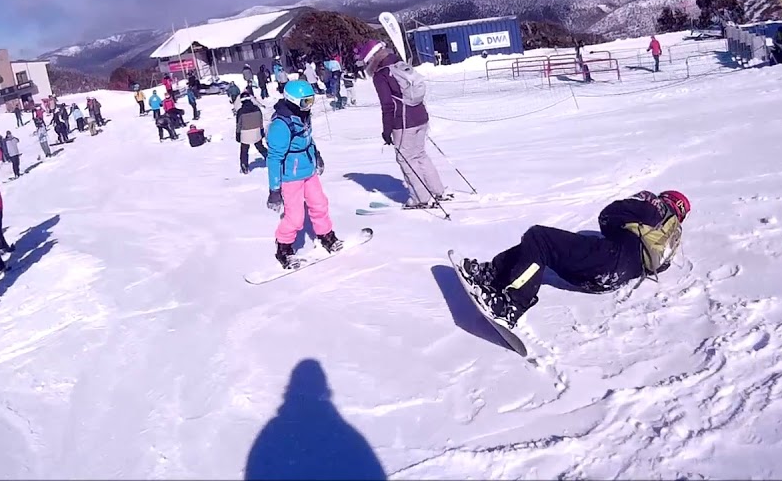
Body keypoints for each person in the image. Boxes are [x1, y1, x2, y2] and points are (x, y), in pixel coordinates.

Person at [458, 190, 690, 330]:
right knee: (543, 248)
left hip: (608, 259)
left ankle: (512, 305)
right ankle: (493, 274)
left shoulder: (653, 206)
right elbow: (657, 264)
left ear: (665, 198)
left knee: (539, 237)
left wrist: (623, 224)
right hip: (612, 279)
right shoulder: (672, 236)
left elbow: (607, 215)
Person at [354, 39, 449, 210]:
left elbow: (387, 105)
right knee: (419, 154)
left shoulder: (381, 74)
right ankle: (437, 190)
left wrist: (387, 130)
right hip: (420, 115)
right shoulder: (400, 64)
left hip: (404, 121)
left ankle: (421, 198)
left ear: (371, 58)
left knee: (405, 159)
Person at [265, 80, 342, 269]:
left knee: (320, 204)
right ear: (292, 101)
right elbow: (274, 159)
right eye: (305, 102)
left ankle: (326, 235)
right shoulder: (281, 126)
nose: (309, 106)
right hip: (290, 177)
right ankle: (284, 247)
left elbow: (308, 139)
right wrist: (274, 190)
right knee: (295, 217)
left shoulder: (303, 115)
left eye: (311, 101)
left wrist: (317, 156)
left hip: (308, 170)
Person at [235, 94, 268, 175]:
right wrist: (261, 131)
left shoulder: (240, 111)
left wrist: (238, 134)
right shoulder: (257, 109)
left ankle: (244, 166)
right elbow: (260, 121)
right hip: (256, 131)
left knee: (244, 150)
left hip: (245, 133)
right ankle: (269, 158)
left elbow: (239, 125)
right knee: (260, 146)